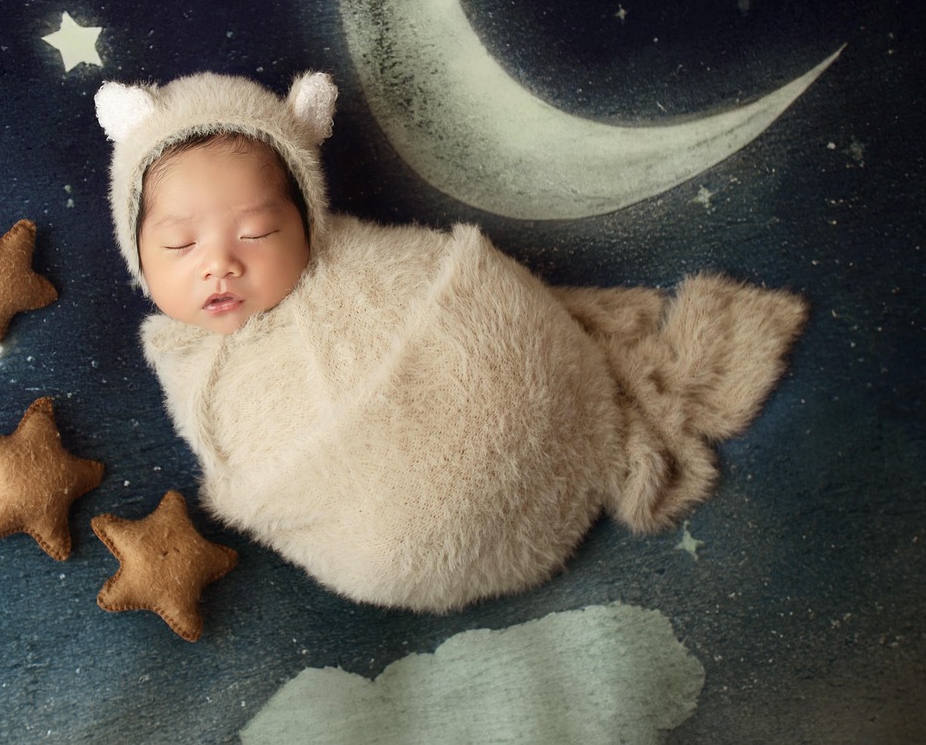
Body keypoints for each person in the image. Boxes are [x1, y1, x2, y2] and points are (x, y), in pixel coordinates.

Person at [95, 71, 807, 613]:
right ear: (137, 251)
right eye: (180, 243)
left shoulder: (368, 262)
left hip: (504, 403)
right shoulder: (183, 358)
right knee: (386, 541)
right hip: (391, 534)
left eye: (255, 233)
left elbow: (484, 318)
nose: (220, 263)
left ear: (307, 219)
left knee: (504, 368)